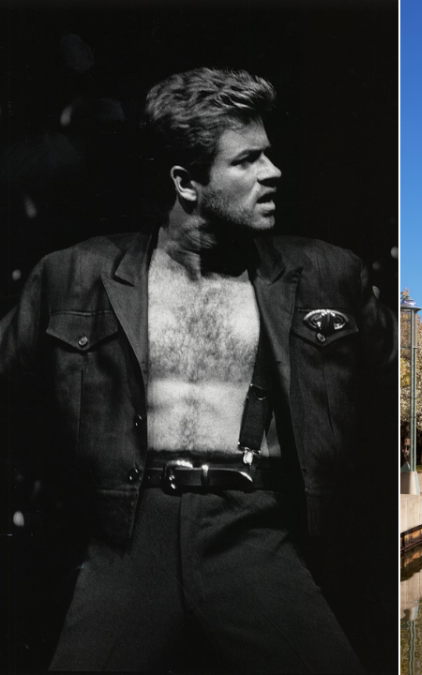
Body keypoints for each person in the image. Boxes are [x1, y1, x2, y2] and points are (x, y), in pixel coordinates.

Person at [0, 68, 396, 672]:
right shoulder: (75, 274)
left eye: (269, 154)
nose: (273, 173)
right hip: (126, 536)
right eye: (247, 161)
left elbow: (397, 402)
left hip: (256, 530)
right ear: (186, 182)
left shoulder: (326, 274)